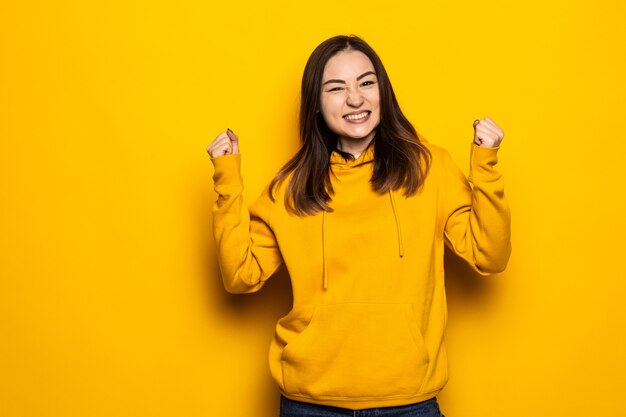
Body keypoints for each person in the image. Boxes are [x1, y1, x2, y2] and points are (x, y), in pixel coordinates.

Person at [206, 34, 511, 417]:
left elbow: (490, 253)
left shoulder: (430, 169)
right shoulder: (291, 187)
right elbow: (240, 275)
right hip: (309, 404)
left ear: (383, 91)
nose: (355, 98)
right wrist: (227, 181)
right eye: (336, 88)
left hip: (409, 403)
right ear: (316, 104)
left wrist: (485, 167)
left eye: (366, 83)